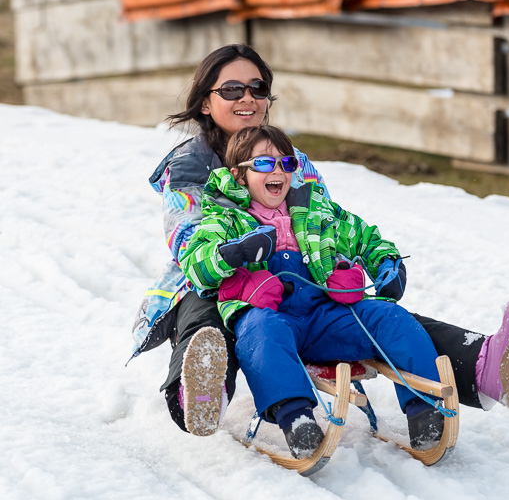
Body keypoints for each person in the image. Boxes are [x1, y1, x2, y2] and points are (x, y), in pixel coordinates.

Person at [130, 43, 509, 436]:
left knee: (375, 314)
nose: (247, 98)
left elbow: (326, 223)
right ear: (205, 102)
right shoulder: (189, 163)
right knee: (207, 315)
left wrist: (370, 262)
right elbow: (187, 237)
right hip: (216, 272)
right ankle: (199, 392)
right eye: (232, 90)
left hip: (298, 280)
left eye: (257, 88)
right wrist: (233, 254)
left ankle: (482, 364)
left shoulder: (293, 158)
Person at [178, 124, 448, 456]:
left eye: (286, 163)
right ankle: (296, 419)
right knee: (262, 333)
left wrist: (389, 263)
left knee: (388, 316)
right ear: (238, 175)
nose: (277, 171)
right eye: (263, 163)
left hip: (326, 316)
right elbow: (195, 264)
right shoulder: (225, 217)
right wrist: (235, 253)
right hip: (271, 316)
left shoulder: (316, 211)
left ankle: (425, 409)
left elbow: (365, 238)